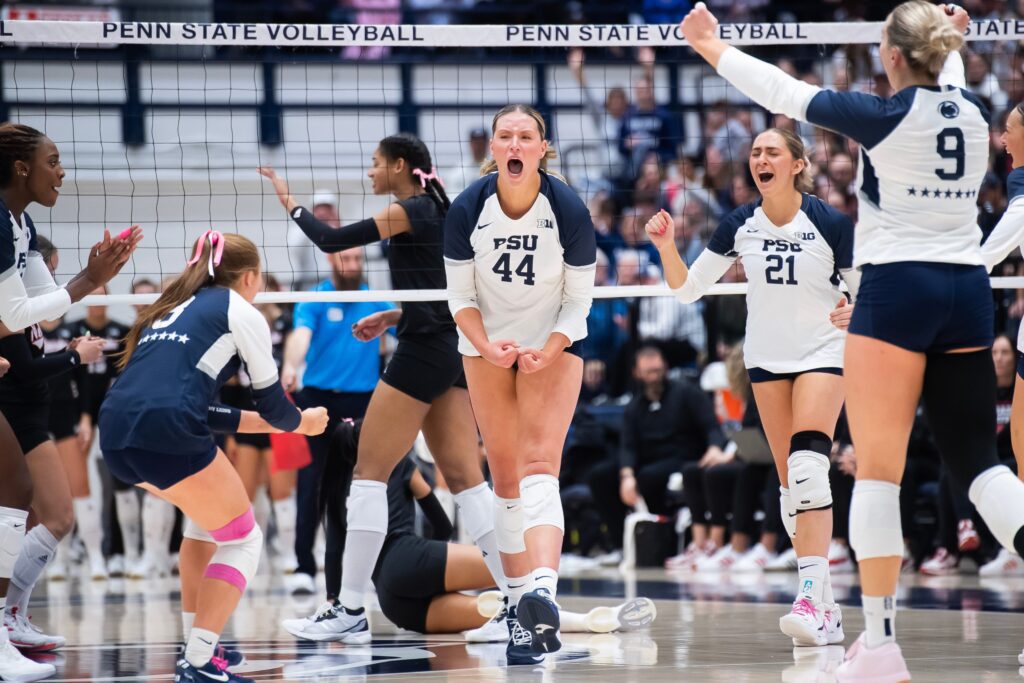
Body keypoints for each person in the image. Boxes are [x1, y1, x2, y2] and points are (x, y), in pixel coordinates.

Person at [680, 2, 1024, 677]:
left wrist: (712, 48)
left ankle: (880, 644)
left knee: (877, 472)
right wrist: (946, 36)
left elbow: (784, 93)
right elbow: (944, 75)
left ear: (892, 57)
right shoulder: (975, 113)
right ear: (940, 51)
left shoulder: (882, 117)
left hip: (897, 289)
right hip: (967, 292)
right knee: (982, 467)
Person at [259, 132, 503, 644]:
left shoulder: (411, 207)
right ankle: (516, 599)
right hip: (451, 347)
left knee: (368, 471)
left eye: (374, 164)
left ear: (399, 165)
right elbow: (444, 290)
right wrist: (395, 314)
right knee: (464, 477)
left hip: (424, 350)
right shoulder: (440, 209)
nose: (370, 173)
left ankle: (348, 607)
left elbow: (331, 241)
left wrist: (290, 203)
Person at [646, 125, 856, 646]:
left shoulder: (831, 221)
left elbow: (865, 289)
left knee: (809, 470)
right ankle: (826, 610)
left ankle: (807, 597)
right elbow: (687, 290)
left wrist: (857, 308)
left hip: (822, 355)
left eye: (771, 152)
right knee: (791, 489)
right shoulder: (740, 224)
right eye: (755, 153)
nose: (760, 159)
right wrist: (667, 246)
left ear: (797, 164)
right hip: (765, 360)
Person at [98, 231, 328, 683]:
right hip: (167, 432)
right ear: (249, 277)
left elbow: (201, 408)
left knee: (204, 525)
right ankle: (200, 660)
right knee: (244, 538)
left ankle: (198, 645)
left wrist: (276, 421)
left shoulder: (169, 307)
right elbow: (275, 407)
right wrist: (303, 421)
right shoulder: (240, 310)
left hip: (117, 434)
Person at [444, 104, 596, 662]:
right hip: (484, 341)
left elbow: (580, 300)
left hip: (555, 337)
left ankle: (542, 597)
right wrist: (486, 347)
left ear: (541, 148)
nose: (514, 143)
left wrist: (548, 348)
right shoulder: (468, 208)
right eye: (504, 136)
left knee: (538, 467)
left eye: (524, 136)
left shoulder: (568, 208)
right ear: (493, 148)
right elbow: (459, 298)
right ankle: (516, 609)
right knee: (503, 477)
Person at [285, 419, 657, 639]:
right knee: (519, 577)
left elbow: (335, 552)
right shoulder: (397, 466)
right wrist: (431, 555)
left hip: (393, 603)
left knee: (508, 618)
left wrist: (335, 599)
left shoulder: (334, 488)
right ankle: (595, 618)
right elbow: (441, 521)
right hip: (410, 556)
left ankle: (589, 623)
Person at [0, 121, 141, 682]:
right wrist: (88, 279)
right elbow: (14, 316)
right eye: (52, 161)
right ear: (20, 167)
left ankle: (12, 616)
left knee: (55, 512)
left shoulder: (21, 222)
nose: (61, 171)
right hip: (9, 381)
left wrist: (92, 274)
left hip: (27, 383)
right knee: (14, 496)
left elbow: (44, 306)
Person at [0, 235, 106, 651]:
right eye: (52, 269)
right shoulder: (11, 307)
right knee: (58, 517)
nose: (54, 279)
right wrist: (78, 357)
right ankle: (8, 616)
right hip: (19, 418)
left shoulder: (26, 312)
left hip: (32, 416)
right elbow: (24, 371)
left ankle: (14, 615)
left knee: (36, 520)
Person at [277, 246, 390, 595]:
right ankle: (304, 567)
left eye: (358, 259)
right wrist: (290, 366)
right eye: (346, 258)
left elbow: (409, 337)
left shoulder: (377, 301)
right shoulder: (315, 298)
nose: (353, 265)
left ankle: (369, 569)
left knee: (367, 485)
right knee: (312, 481)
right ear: (331, 260)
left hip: (363, 401)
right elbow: (300, 337)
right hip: (319, 400)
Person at [587, 344, 728, 553]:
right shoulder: (634, 406)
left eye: (658, 370)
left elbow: (711, 427)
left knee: (648, 477)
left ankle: (660, 543)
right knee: (601, 475)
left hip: (681, 456)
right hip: (648, 458)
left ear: (666, 368)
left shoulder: (687, 393)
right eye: (648, 372)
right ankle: (620, 546)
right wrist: (627, 475)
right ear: (637, 373)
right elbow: (628, 445)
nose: (654, 376)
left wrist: (715, 448)